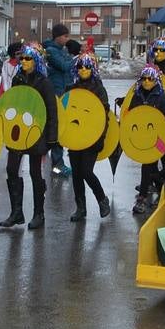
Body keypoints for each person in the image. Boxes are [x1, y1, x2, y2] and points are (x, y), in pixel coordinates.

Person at [0, 42, 58, 230]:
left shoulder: (44, 82)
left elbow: (51, 111)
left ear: (36, 61)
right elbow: (12, 103)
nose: (23, 61)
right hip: (18, 132)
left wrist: (51, 138)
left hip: (36, 132)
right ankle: (16, 212)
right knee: (11, 169)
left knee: (35, 173)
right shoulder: (18, 79)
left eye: (28, 58)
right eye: (22, 58)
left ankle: (38, 214)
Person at [65, 52, 112, 221]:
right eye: (80, 67)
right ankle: (81, 208)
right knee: (76, 174)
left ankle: (102, 199)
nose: (83, 70)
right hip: (75, 137)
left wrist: (100, 138)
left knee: (86, 171)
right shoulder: (71, 88)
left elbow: (103, 116)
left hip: (92, 138)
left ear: (93, 69)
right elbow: (65, 112)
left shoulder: (99, 89)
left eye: (86, 67)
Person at [128, 65, 165, 214]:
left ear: (156, 80)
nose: (146, 82)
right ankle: (143, 197)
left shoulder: (163, 97)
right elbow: (132, 117)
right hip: (146, 140)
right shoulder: (137, 96)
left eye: (150, 79)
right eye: (144, 79)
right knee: (147, 166)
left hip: (161, 140)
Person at [43, 24, 72, 177]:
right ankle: (57, 164)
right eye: (65, 36)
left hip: (64, 92)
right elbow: (64, 66)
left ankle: (58, 161)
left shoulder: (62, 50)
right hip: (56, 93)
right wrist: (76, 59)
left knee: (63, 127)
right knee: (57, 128)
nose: (67, 39)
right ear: (58, 36)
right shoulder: (51, 52)